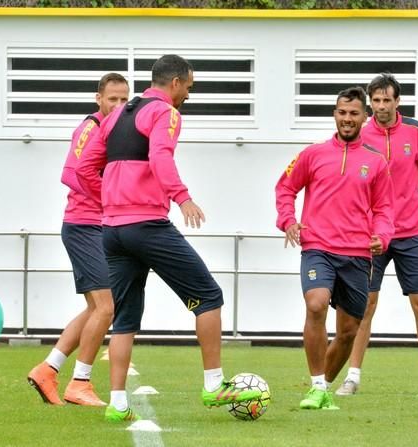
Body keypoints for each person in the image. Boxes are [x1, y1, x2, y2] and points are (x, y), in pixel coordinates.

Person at [75, 54, 262, 422]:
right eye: (188, 88)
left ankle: (117, 403)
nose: (188, 95)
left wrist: (113, 199)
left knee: (125, 316)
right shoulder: (166, 113)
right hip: (147, 226)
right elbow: (161, 156)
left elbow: (84, 167)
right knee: (209, 296)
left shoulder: (114, 116)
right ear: (175, 83)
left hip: (112, 230)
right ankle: (214, 386)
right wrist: (183, 196)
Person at [336, 73, 418, 397]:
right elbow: (346, 183)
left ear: (397, 101)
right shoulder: (359, 135)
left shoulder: (415, 133)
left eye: (386, 100)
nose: (380, 107)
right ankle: (351, 378)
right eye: (375, 101)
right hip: (371, 235)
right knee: (364, 305)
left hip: (409, 232)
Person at [275, 86, 395, 410]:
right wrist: (288, 220)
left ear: (364, 117)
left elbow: (385, 209)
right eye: (342, 112)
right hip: (318, 247)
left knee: (348, 332)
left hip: (357, 254)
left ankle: (322, 389)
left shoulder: (376, 162)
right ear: (335, 114)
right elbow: (285, 188)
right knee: (316, 304)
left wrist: (382, 236)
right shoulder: (312, 155)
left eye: (354, 113)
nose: (347, 118)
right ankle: (316, 384)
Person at [28, 73, 130, 407]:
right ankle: (80, 383)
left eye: (124, 100)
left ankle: (49, 369)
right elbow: (71, 173)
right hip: (83, 225)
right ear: (98, 98)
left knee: (97, 308)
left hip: (98, 226)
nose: (118, 105)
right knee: (106, 306)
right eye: (112, 98)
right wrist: (112, 198)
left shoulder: (115, 131)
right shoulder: (90, 127)